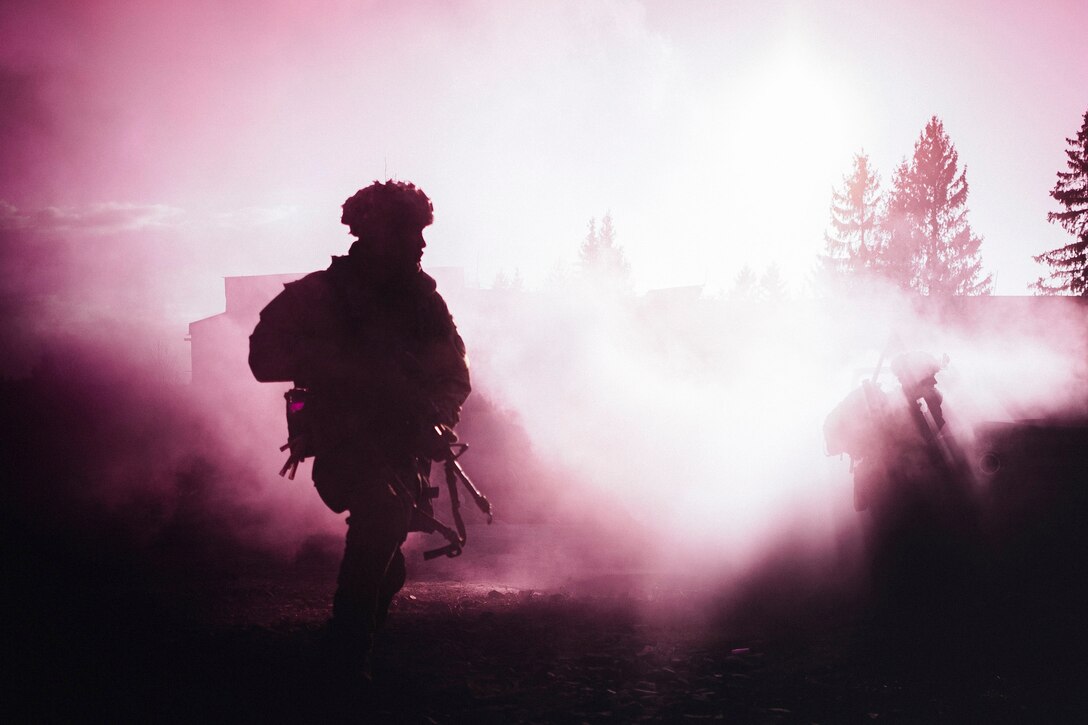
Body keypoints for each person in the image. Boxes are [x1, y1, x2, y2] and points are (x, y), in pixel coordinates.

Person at [248, 180, 471, 677]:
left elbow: (455, 375)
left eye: (421, 231)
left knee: (388, 564)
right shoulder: (320, 294)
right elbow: (262, 358)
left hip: (403, 445)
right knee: (379, 521)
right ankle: (346, 659)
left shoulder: (423, 302)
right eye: (409, 230)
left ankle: (346, 645)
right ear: (374, 232)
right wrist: (342, 365)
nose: (421, 243)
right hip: (345, 440)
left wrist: (437, 416)